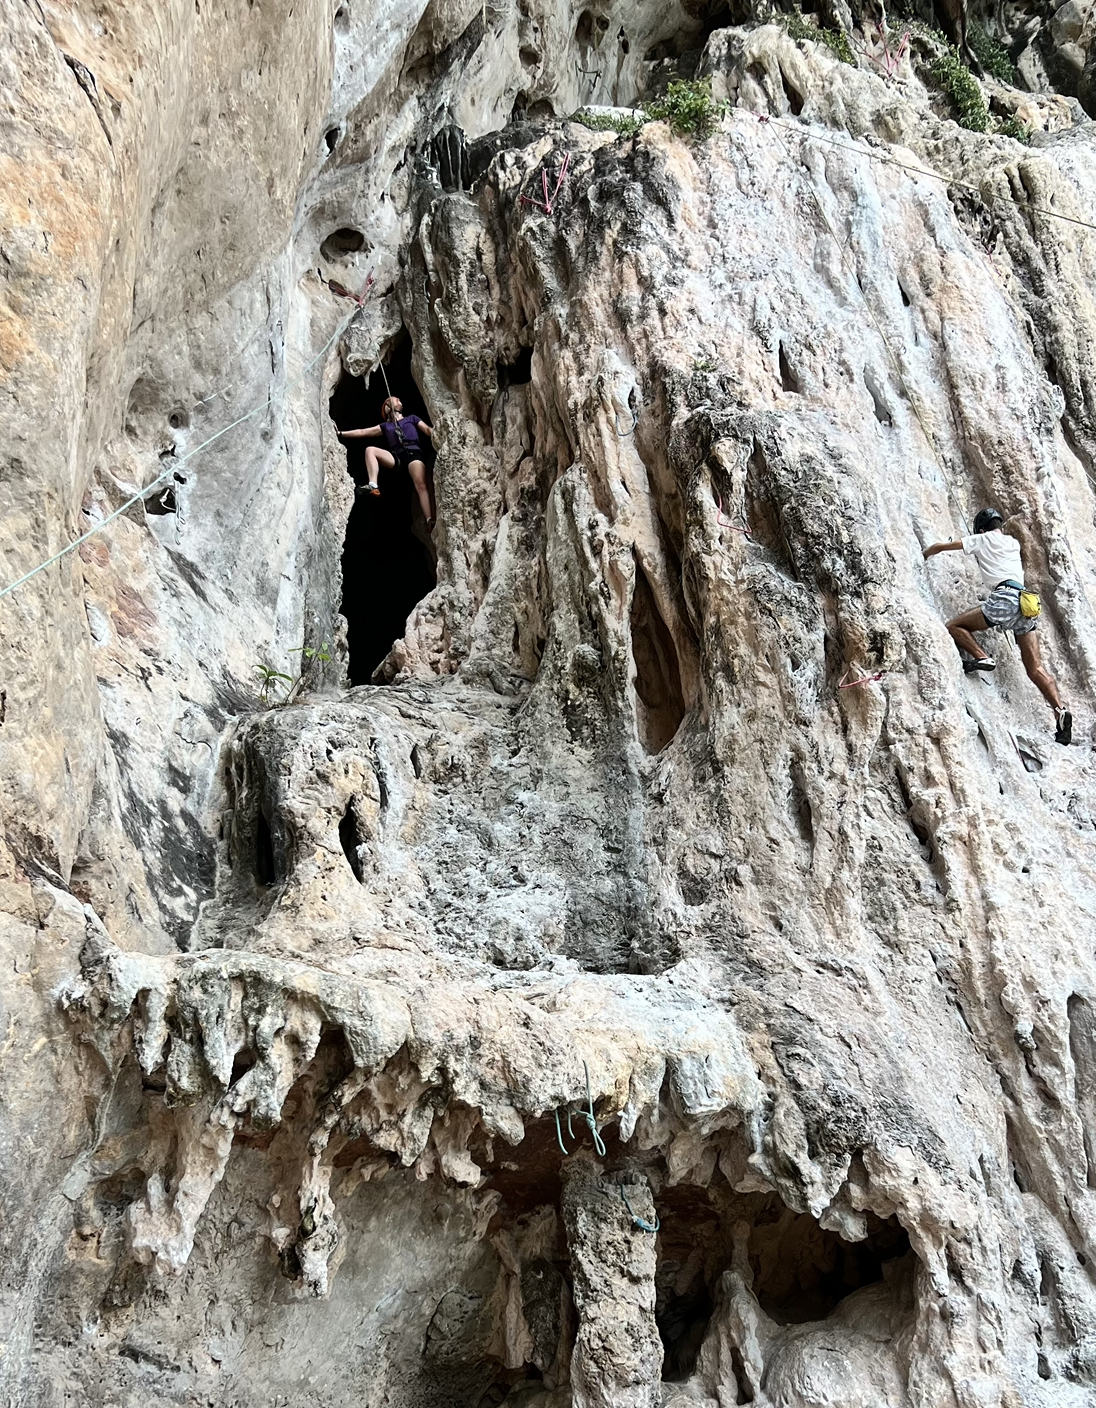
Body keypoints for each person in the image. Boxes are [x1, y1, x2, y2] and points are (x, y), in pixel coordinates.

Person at [923, 508, 1071, 745]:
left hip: (1005, 598)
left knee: (954, 626)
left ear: (982, 529)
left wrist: (924, 554)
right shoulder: (1012, 542)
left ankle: (982, 657)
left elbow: (942, 547)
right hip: (1026, 603)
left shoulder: (982, 538)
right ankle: (1060, 711)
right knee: (1035, 668)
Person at [337, 396, 436, 529]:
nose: (399, 400)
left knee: (421, 485)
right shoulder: (386, 426)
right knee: (370, 450)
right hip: (397, 457)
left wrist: (440, 432)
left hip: (413, 454)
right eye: (395, 399)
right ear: (388, 407)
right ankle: (373, 485)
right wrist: (340, 433)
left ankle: (429, 519)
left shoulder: (412, 418)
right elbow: (362, 432)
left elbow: (428, 430)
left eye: (399, 399)